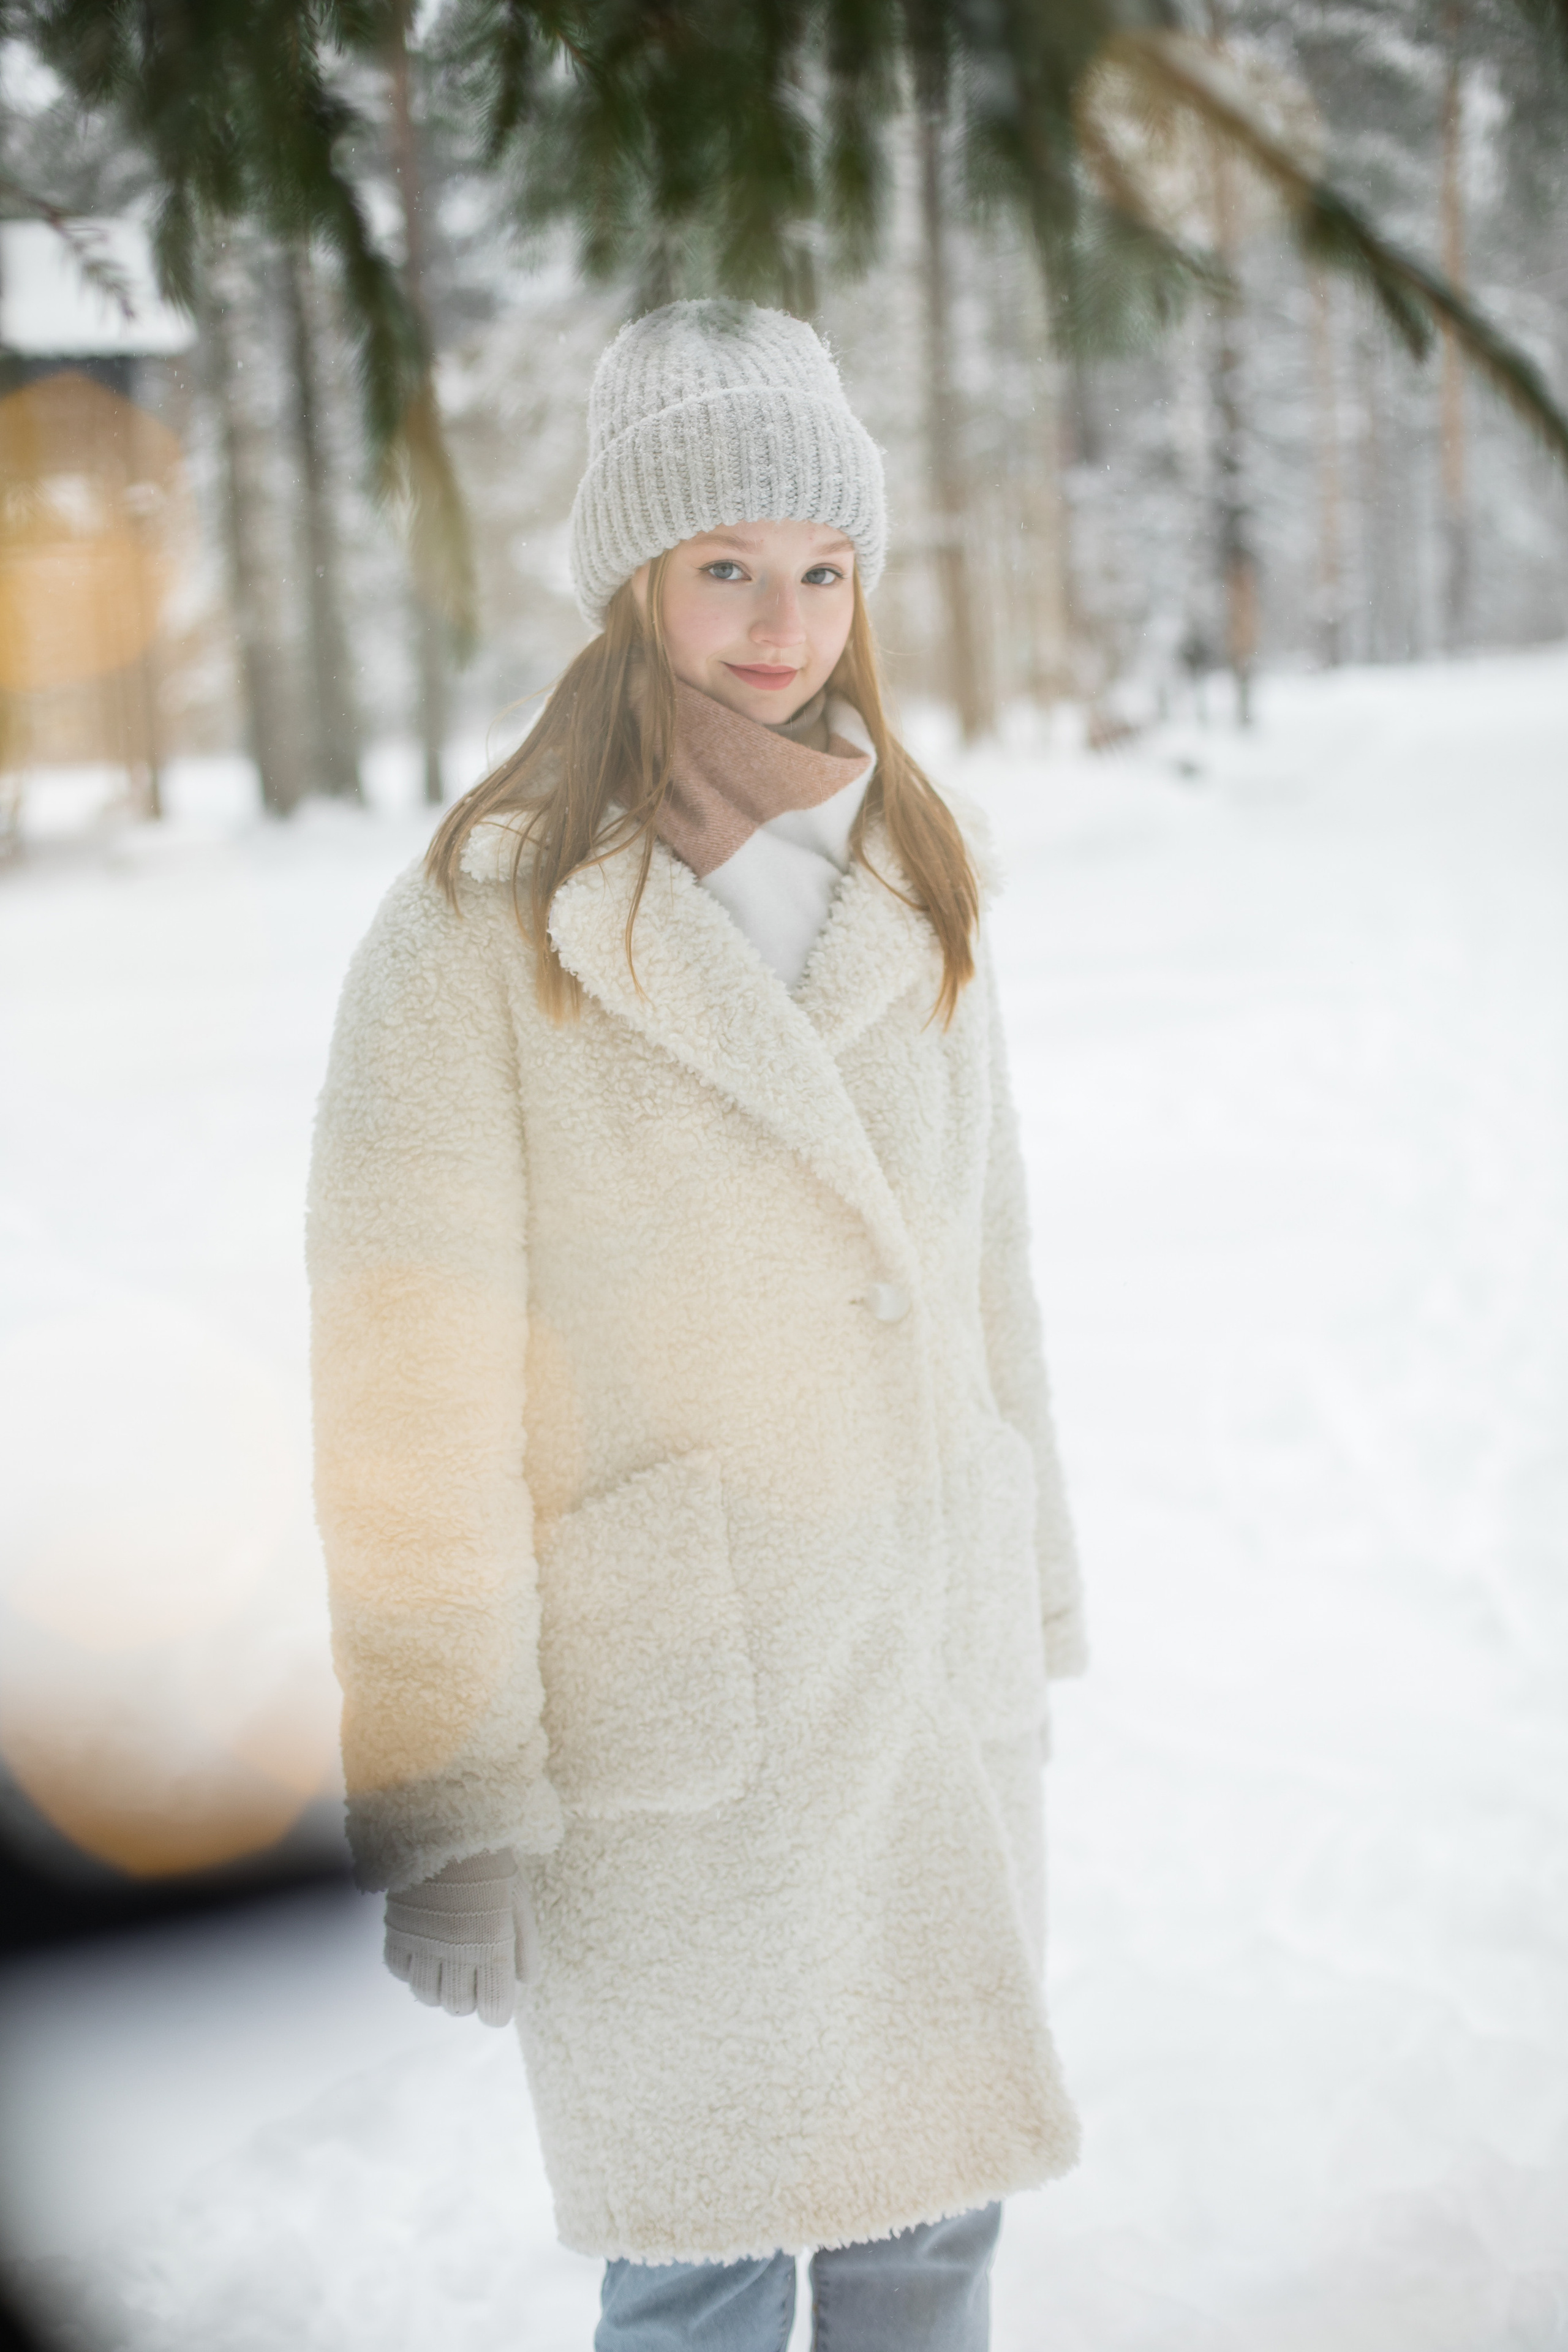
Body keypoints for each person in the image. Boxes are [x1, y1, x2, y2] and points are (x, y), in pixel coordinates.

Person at [308, 298, 1087, 2352]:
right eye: (726, 565)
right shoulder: (484, 915)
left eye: (821, 568)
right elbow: (408, 1382)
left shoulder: (921, 865)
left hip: (923, 1662)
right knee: (711, 2250)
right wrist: (452, 1785)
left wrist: (1038, 1596)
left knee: (938, 2221)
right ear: (632, 579)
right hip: (685, 1704)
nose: (781, 619)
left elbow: (988, 1262)